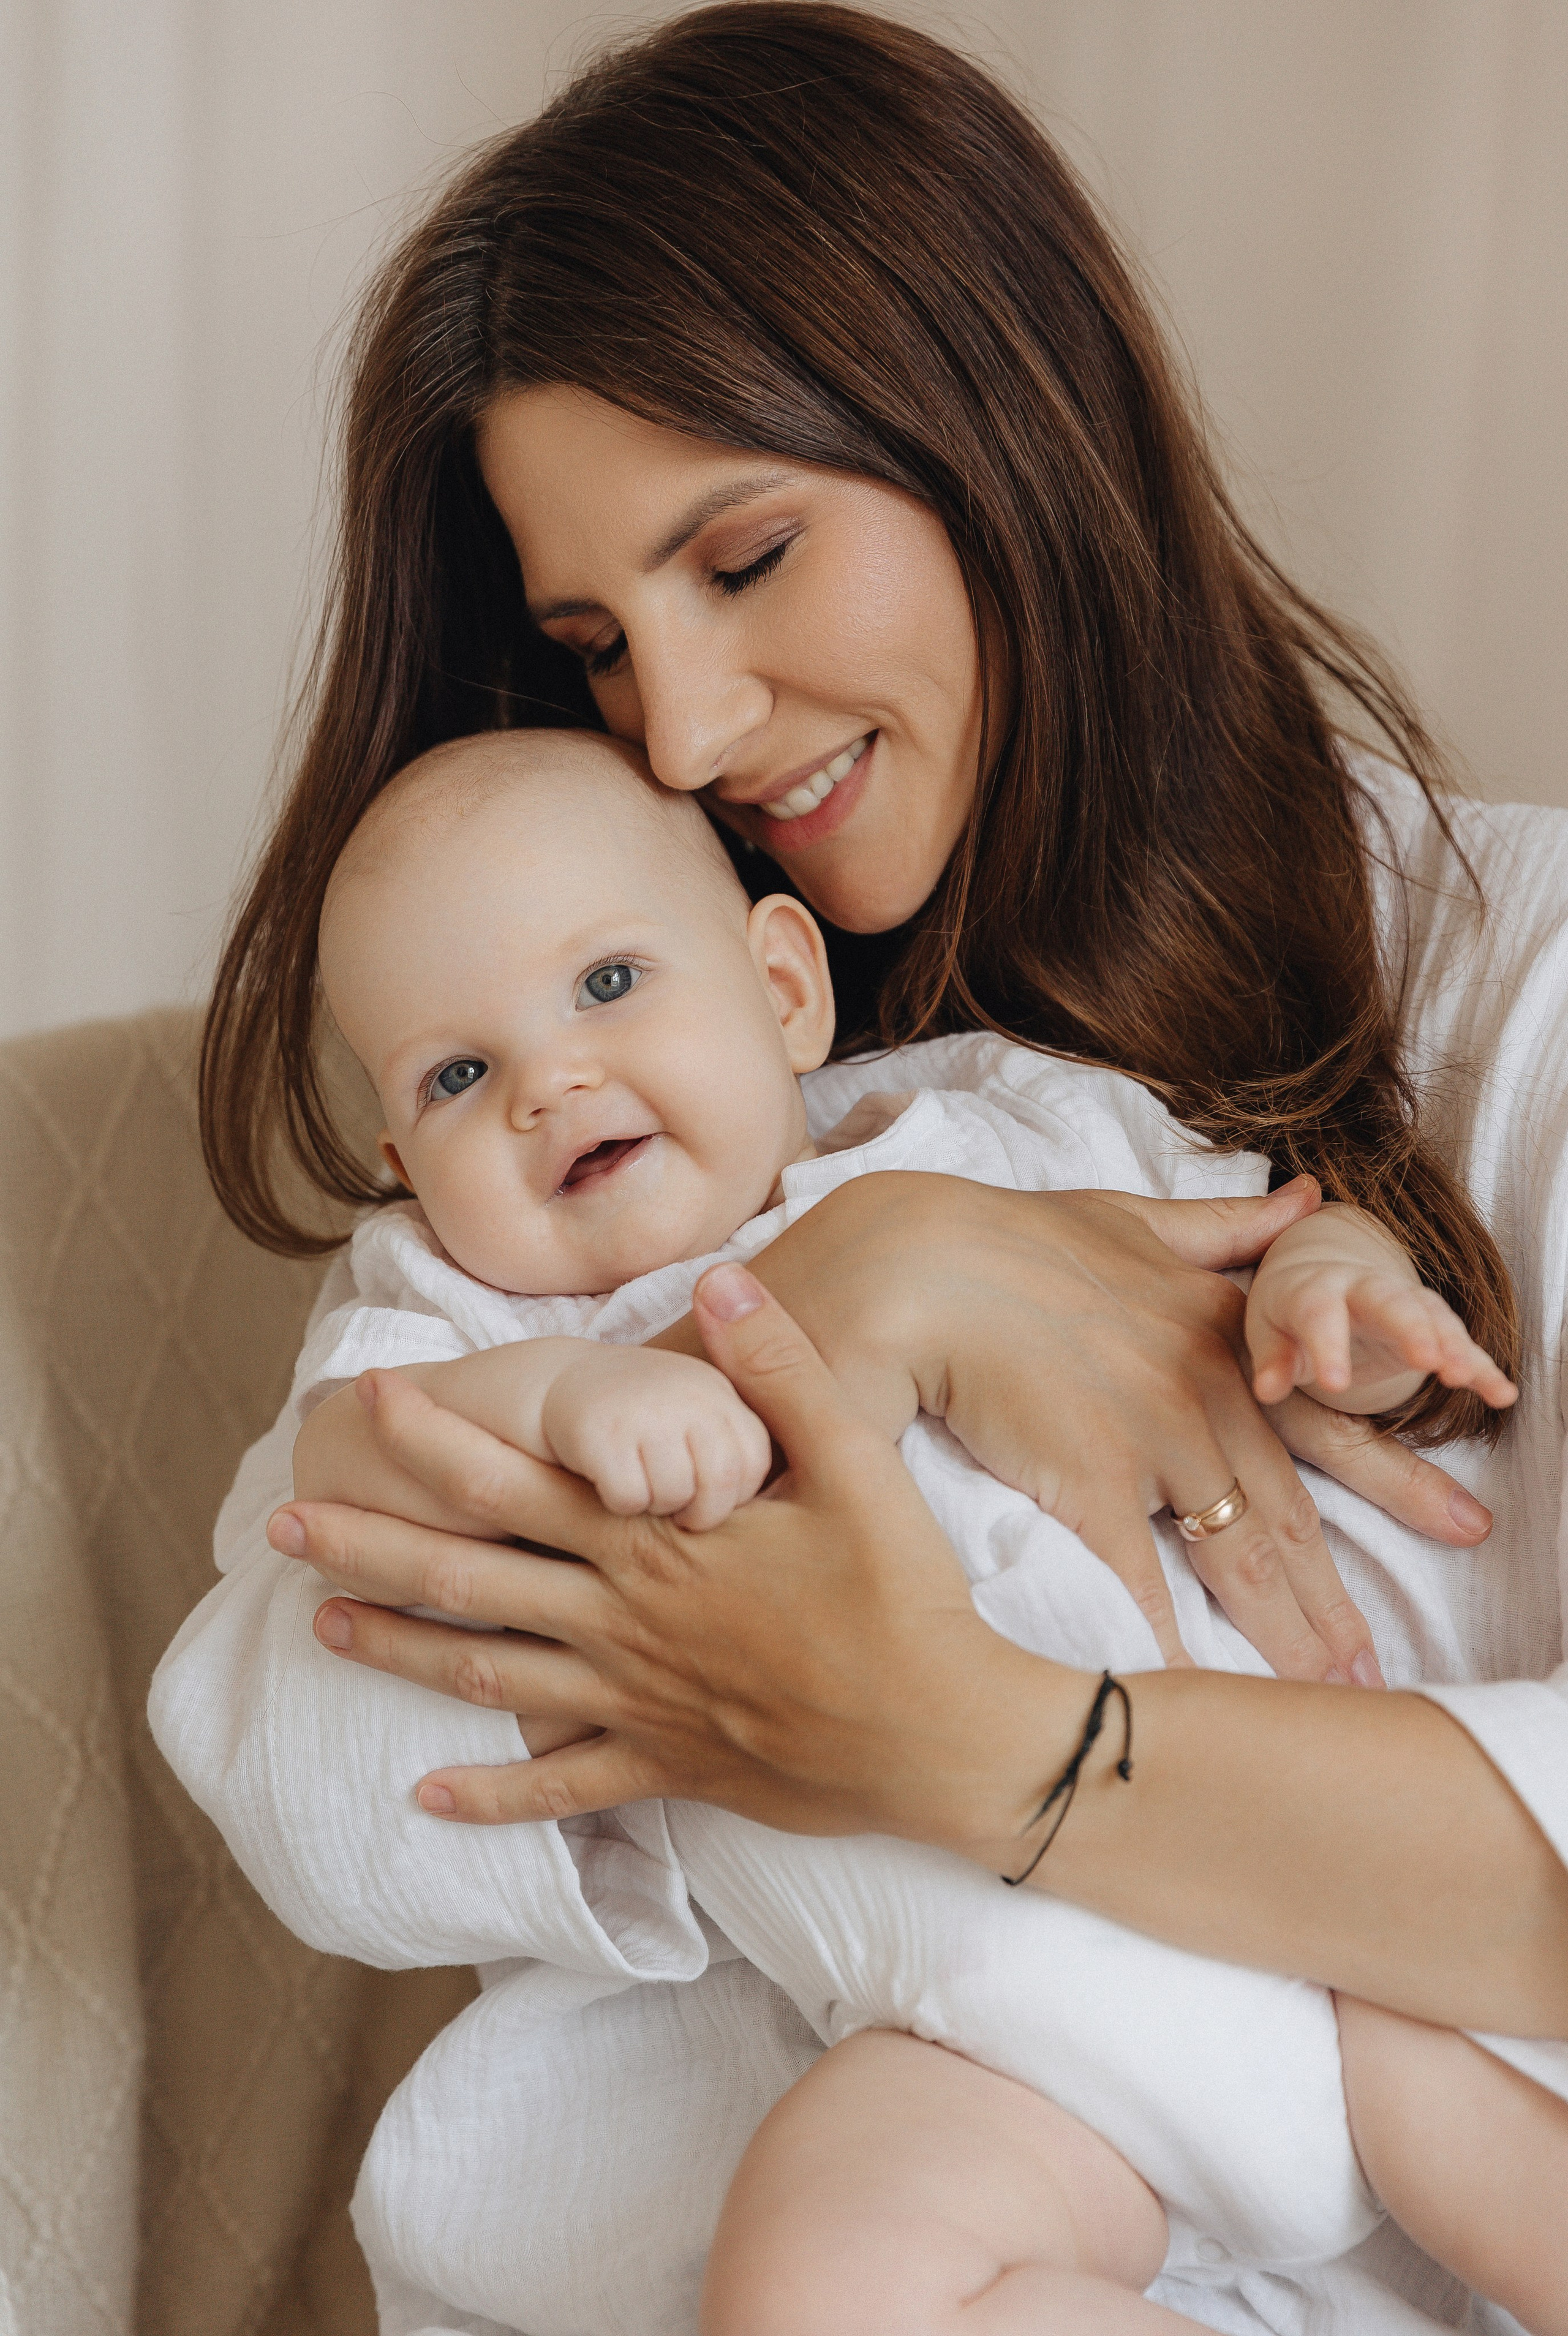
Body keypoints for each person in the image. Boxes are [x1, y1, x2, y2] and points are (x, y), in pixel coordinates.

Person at [169, 7, 1568, 2330]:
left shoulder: (1504, 993)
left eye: (751, 555)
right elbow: (308, 1743)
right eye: (598, 643)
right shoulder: (632, 1091)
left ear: (1008, 430)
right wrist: (855, 1298)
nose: (688, 732)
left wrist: (955, 1739)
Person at [231, 715, 1559, 2336]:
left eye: (605, 985)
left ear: (782, 988)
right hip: (982, 2059)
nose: (549, 1083)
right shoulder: (443, 1308)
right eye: (458, 1075)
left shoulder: (997, 1133)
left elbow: (1244, 1226)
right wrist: (577, 1401)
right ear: (403, 1164)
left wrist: (1331, 1281)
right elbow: (348, 1474)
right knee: (816, 2290)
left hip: (1306, 1931)